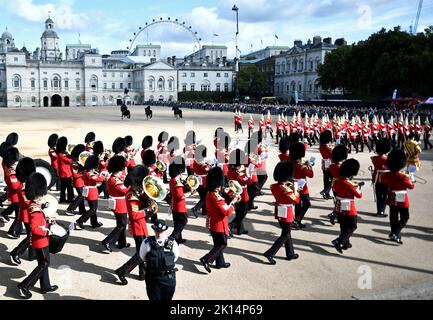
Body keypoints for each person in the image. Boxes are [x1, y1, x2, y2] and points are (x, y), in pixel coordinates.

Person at [17, 173, 58, 299]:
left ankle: (45, 285)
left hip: (41, 240)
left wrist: (48, 221)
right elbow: (35, 229)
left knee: (43, 262)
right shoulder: (34, 209)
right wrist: (47, 231)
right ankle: (25, 285)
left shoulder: (35, 205)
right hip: (40, 241)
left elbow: (40, 221)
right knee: (44, 263)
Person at [115, 165, 153, 285]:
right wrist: (147, 210)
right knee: (141, 254)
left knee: (142, 252)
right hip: (137, 228)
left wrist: (150, 208)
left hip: (141, 226)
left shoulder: (137, 193)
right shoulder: (131, 196)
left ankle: (142, 274)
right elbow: (135, 215)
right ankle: (122, 271)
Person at [200, 167, 237, 273]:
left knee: (217, 244)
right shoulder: (216, 197)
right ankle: (206, 259)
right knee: (222, 244)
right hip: (219, 225)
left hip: (213, 223)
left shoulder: (209, 194)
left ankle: (220, 263)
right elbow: (227, 212)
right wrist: (233, 202)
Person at [263, 161, 300, 264]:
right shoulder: (286, 190)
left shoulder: (274, 186)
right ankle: (270, 253)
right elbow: (296, 200)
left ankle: (290, 253)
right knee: (285, 234)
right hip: (287, 213)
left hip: (279, 211)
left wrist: (288, 186)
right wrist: (295, 190)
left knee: (286, 232)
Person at [139, 219, 179, 301]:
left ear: (165, 230)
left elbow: (175, 257)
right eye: (157, 231)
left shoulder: (172, 243)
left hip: (168, 278)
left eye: (161, 231)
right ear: (154, 230)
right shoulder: (146, 243)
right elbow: (143, 257)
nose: (159, 233)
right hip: (153, 278)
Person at [382, 149, 415, 244]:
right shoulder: (404, 176)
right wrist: (411, 177)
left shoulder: (386, 174)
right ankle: (396, 232)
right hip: (402, 198)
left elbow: (385, 181)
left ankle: (394, 233)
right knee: (405, 217)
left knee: (393, 217)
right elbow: (411, 186)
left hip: (392, 196)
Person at [332, 159, 363, 254]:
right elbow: (359, 195)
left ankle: (345, 243)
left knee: (343, 225)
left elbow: (337, 190)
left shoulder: (336, 181)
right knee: (352, 225)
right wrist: (358, 187)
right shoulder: (350, 184)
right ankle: (340, 241)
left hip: (339, 206)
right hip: (349, 207)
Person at [10, 157, 36, 264]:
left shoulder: (27, 184)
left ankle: (32, 255)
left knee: (32, 235)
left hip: (30, 213)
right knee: (31, 236)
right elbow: (26, 202)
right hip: (26, 215)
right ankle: (16, 252)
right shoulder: (23, 187)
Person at [102, 156, 130, 252]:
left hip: (119, 203)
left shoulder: (114, 178)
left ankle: (122, 243)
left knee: (122, 224)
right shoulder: (114, 180)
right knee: (122, 225)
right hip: (119, 204)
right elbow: (125, 191)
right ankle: (107, 241)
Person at [75, 155, 105, 229]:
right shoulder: (90, 174)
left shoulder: (86, 172)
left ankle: (94, 222)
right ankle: (80, 220)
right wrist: (102, 175)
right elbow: (99, 180)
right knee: (93, 209)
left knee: (93, 208)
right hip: (92, 192)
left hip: (90, 191)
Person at [228, 149, 252, 236]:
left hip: (233, 194)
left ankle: (240, 229)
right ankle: (230, 226)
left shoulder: (230, 170)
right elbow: (249, 182)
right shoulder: (240, 173)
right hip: (242, 194)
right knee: (242, 213)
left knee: (239, 212)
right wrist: (248, 174)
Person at [169, 156, 193, 244]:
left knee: (177, 222)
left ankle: (178, 238)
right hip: (179, 206)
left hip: (174, 205)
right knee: (183, 221)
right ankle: (172, 238)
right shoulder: (176, 181)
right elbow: (180, 196)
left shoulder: (173, 179)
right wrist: (189, 193)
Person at [290, 142, 313, 229]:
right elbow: (311, 175)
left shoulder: (291, 163)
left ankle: (297, 221)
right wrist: (309, 166)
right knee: (307, 203)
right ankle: (297, 220)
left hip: (294, 184)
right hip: (302, 187)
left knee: (298, 204)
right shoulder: (302, 166)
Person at [371, 138, 391, 218]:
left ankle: (379, 210)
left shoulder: (374, 158)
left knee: (379, 196)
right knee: (385, 195)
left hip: (376, 178)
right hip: (385, 179)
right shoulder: (386, 159)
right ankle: (382, 211)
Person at [328, 144, 348, 225]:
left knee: (338, 200)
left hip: (334, 184)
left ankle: (337, 215)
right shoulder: (342, 166)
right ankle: (336, 215)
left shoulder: (332, 166)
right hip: (342, 184)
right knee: (343, 201)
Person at [66, 144, 87, 216]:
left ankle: (82, 210)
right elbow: (75, 175)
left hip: (81, 182)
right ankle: (70, 209)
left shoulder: (77, 162)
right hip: (78, 182)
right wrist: (84, 173)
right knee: (81, 196)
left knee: (82, 196)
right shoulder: (74, 163)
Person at [56, 136, 74, 204]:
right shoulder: (62, 155)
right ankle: (70, 198)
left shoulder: (61, 154)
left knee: (63, 187)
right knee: (69, 187)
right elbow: (70, 161)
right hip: (66, 174)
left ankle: (62, 198)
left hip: (64, 173)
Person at [319, 130, 333, 200]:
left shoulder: (321, 146)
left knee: (326, 179)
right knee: (333, 178)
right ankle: (325, 191)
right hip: (330, 163)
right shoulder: (328, 147)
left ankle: (326, 194)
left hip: (324, 163)